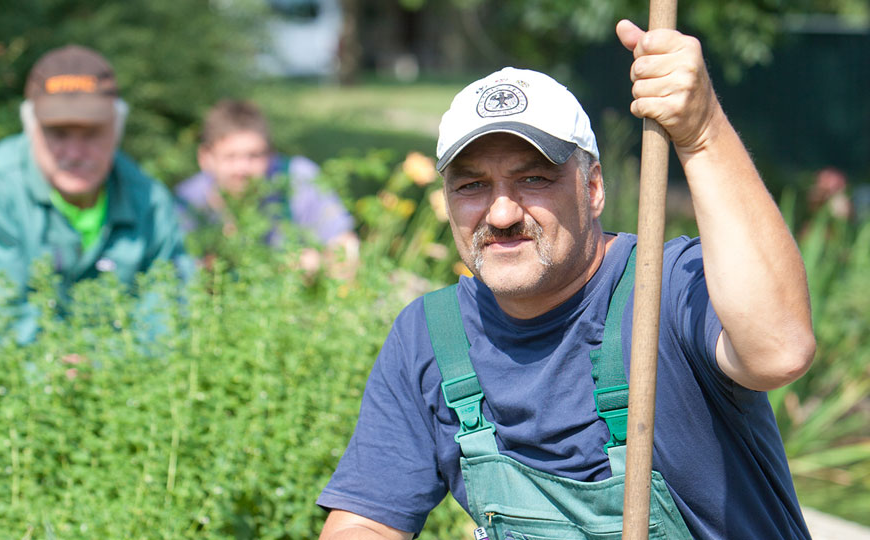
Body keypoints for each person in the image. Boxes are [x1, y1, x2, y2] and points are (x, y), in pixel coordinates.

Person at [317, 19, 815, 540]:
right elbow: (364, 521)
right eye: (472, 185)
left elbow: (779, 350)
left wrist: (702, 132)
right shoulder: (433, 336)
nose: (503, 213)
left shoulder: (664, 291)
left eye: (534, 178)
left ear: (593, 187)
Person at [0, 45, 191, 344]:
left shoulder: (149, 200)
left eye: (92, 133)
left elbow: (169, 318)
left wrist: (96, 366)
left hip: (117, 379)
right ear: (30, 128)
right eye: (58, 133)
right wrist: (68, 365)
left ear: (117, 128)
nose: (74, 153)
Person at [175, 99, 359, 277]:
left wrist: (318, 263)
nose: (243, 169)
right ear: (205, 158)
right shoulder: (188, 200)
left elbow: (345, 246)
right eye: (230, 157)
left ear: (272, 154)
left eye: (254, 156)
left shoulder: (299, 178)